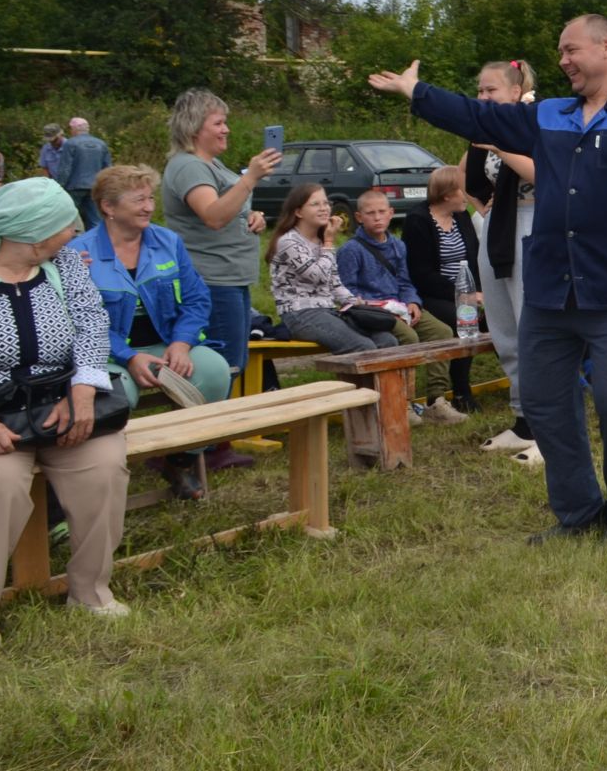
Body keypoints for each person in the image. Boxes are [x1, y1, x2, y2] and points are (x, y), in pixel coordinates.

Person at [368, 0, 607, 541]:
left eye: (571, 49)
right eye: (560, 52)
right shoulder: (549, 115)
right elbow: (479, 115)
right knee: (545, 401)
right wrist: (414, 92)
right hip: (549, 289)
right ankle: (578, 513)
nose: (563, 60)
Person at [0, 179, 132, 633]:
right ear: (35, 232)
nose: (75, 232)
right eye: (65, 226)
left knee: (105, 467)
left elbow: (92, 322)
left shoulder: (64, 263)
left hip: (62, 407)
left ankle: (90, 592)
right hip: (2, 422)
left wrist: (84, 388)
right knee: (1, 487)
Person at [75, 165, 232, 501]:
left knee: (215, 372)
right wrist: (129, 358)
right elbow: (83, 321)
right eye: (138, 200)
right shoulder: (80, 252)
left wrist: (181, 343)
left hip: (166, 343)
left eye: (150, 198)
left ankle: (179, 462)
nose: (149, 207)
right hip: (110, 352)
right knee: (117, 396)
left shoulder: (167, 241)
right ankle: (107, 475)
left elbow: (196, 299)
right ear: (108, 207)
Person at [161, 89, 279, 470]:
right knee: (220, 362)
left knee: (232, 360)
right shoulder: (189, 167)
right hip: (209, 278)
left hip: (231, 276)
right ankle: (199, 447)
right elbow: (212, 215)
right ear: (195, 127)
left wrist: (252, 216)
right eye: (219, 123)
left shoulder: (210, 167)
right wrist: (251, 179)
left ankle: (210, 442)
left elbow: (226, 213)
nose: (226, 129)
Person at [335, 189, 465, 425]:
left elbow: (405, 281)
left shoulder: (397, 245)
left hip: (402, 305)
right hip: (372, 312)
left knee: (442, 332)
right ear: (358, 217)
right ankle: (404, 402)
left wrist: (413, 302)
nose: (377, 217)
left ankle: (436, 400)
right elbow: (347, 292)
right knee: (408, 338)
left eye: (382, 212)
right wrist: (378, 307)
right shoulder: (350, 250)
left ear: (391, 213)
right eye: (370, 213)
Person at [463, 60, 538, 456]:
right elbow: (467, 179)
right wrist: (481, 203)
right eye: (479, 91)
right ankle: (523, 421)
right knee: (504, 326)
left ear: (516, 90)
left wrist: (500, 146)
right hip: (498, 225)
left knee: (532, 325)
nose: (482, 97)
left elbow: (548, 174)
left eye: (490, 91)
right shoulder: (488, 126)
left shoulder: (534, 121)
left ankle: (547, 426)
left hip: (531, 222)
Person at [267, 183, 400, 357]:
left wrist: (356, 303)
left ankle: (382, 385)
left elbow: (334, 283)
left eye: (325, 203)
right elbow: (317, 275)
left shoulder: (322, 241)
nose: (324, 209)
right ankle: (358, 386)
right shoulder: (289, 242)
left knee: (387, 341)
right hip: (300, 314)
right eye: (315, 204)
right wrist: (329, 243)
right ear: (298, 212)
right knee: (362, 347)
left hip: (328, 310)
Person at [401, 167, 480, 422]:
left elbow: (474, 260)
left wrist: (479, 292)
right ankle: (460, 391)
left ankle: (523, 386)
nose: (466, 195)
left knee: (491, 320)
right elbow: (421, 274)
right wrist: (464, 295)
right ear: (447, 194)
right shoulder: (418, 221)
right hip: (431, 294)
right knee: (463, 320)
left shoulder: (462, 217)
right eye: (462, 190)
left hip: (465, 291)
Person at [55, 117, 113, 232]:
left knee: (68, 217)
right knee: (95, 219)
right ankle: (95, 244)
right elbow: (108, 168)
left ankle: (71, 244)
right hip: (95, 187)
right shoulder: (101, 144)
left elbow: (65, 168)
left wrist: (59, 186)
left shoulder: (70, 143)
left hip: (74, 186)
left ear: (74, 129)